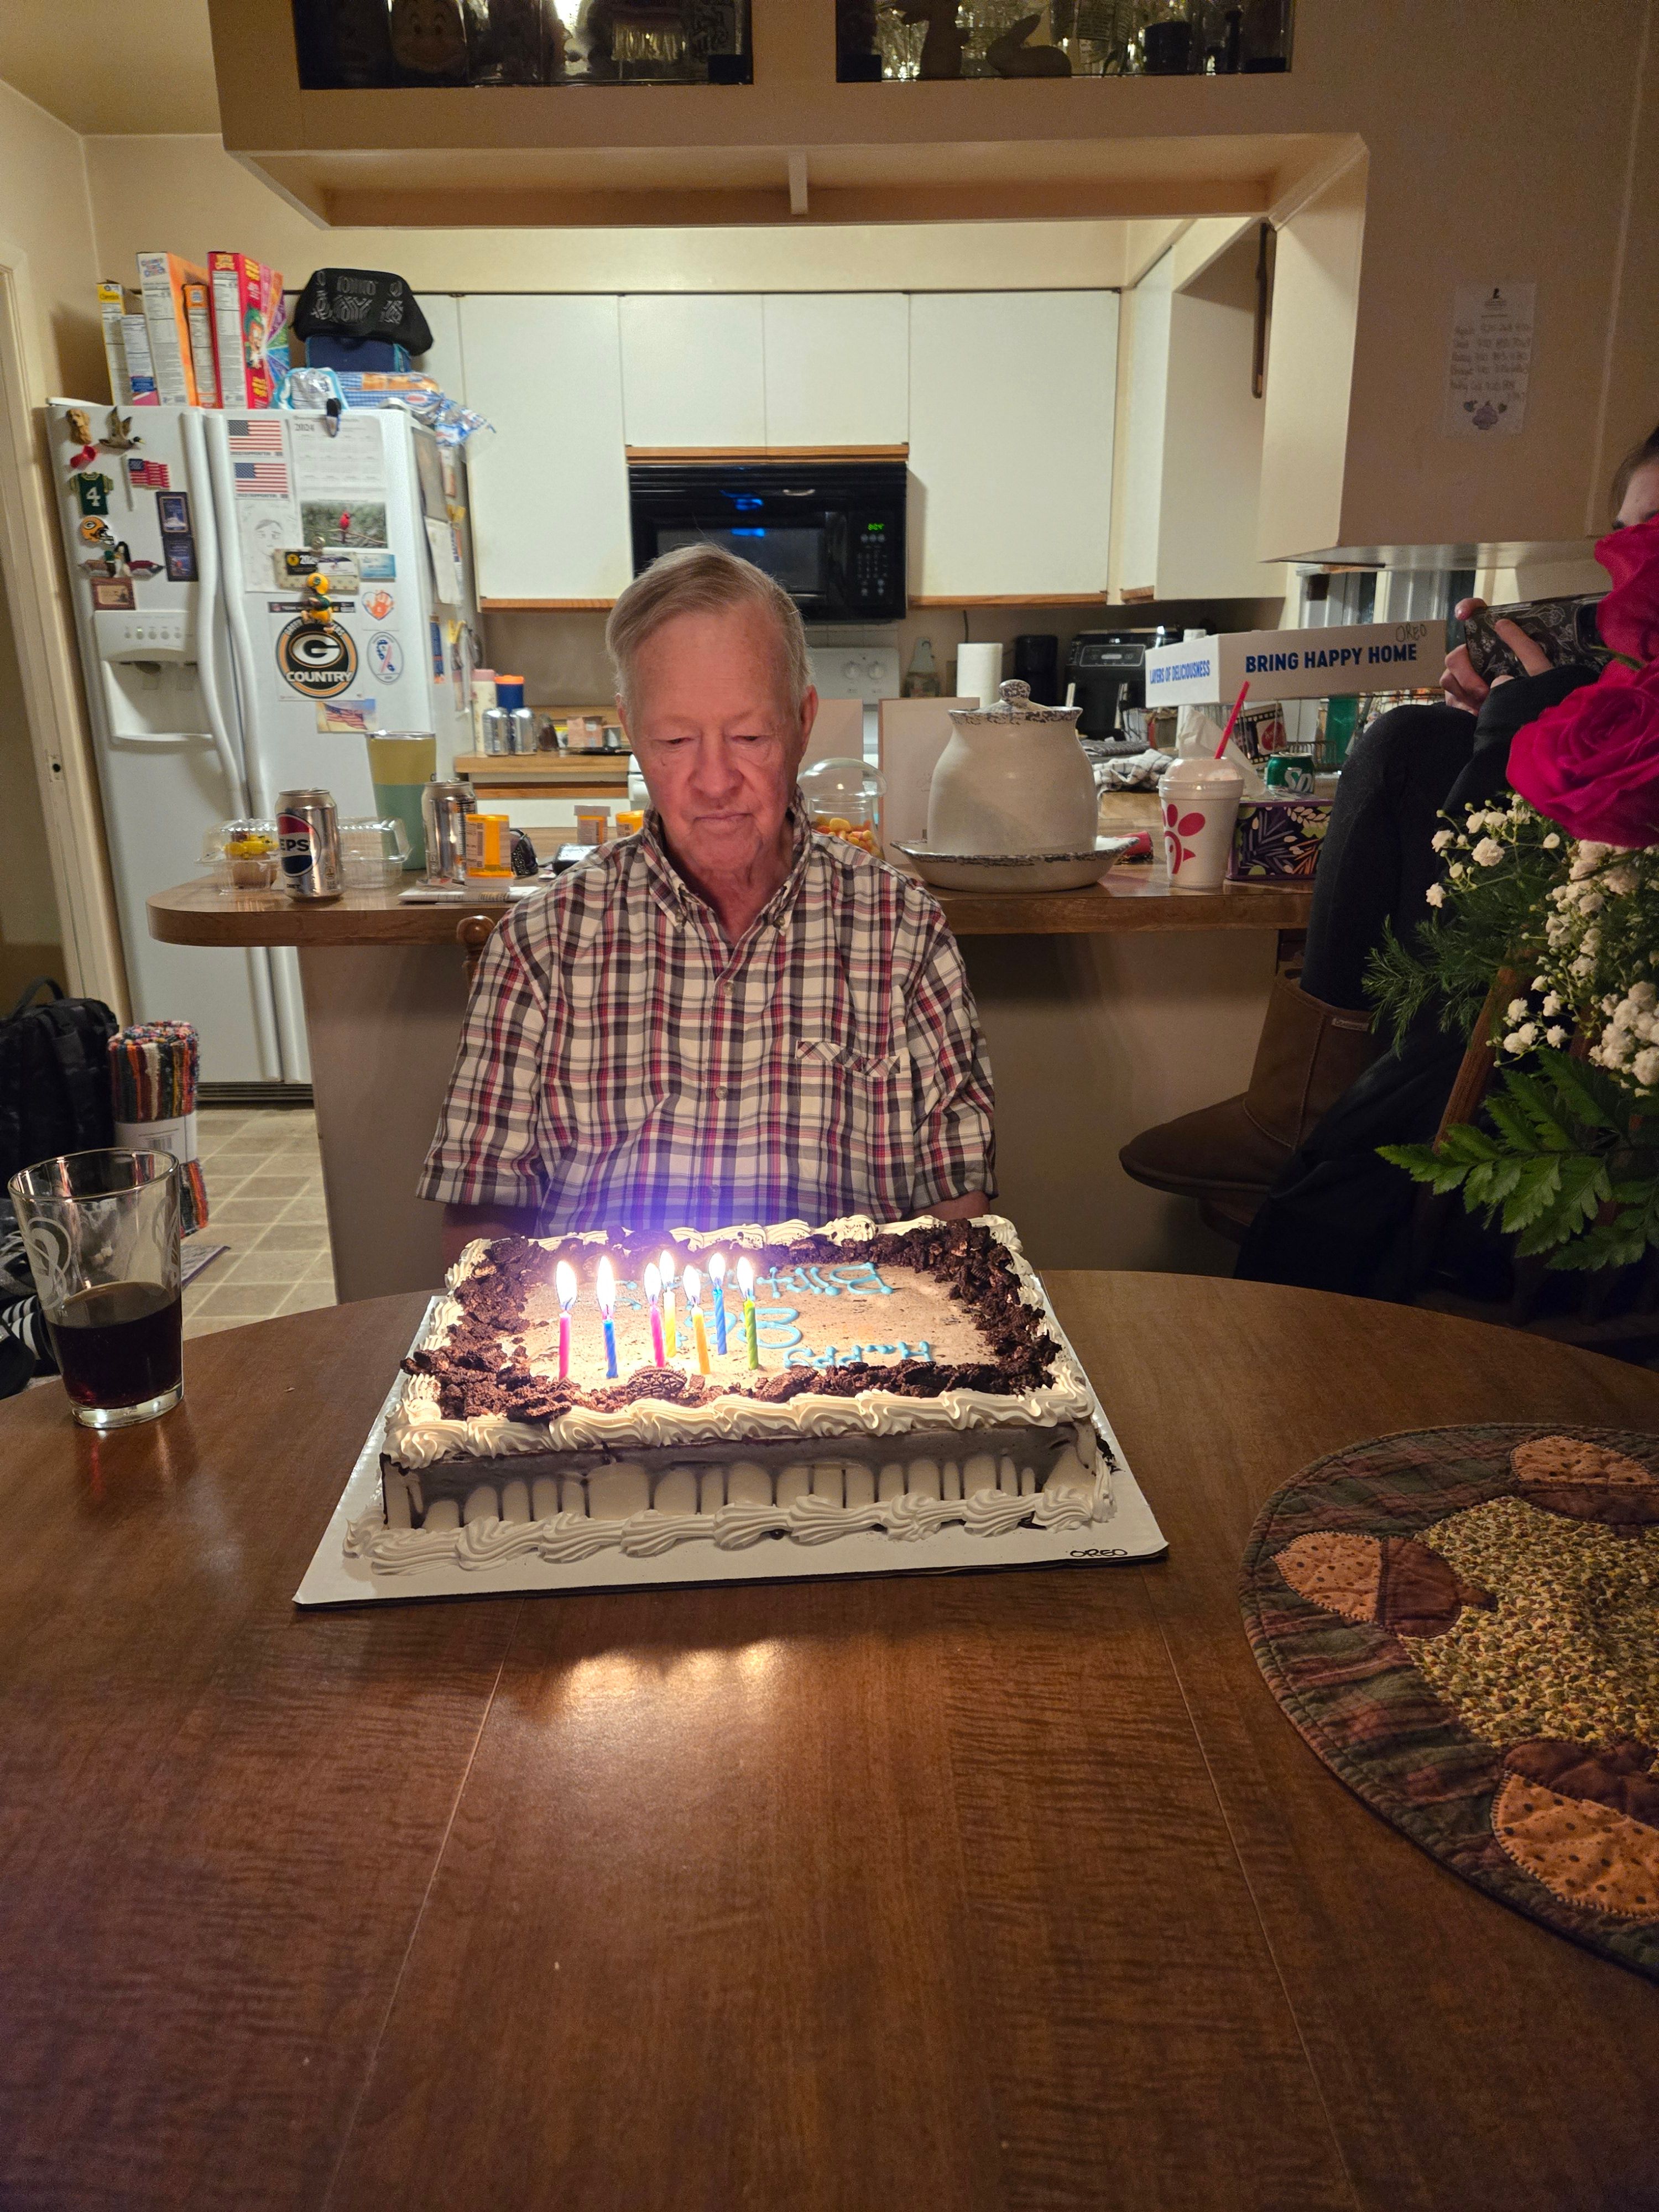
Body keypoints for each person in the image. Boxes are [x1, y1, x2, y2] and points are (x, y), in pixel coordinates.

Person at [1119, 430, 1659, 1215]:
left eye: (1654, 533)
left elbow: (1486, 919)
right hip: (1520, 1015)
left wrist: (1522, 729)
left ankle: (1325, 1126)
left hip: (1578, 1068)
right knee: (1417, 739)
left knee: (1416, 748)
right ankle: (1308, 1106)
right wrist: (1507, 723)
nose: (1631, 563)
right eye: (1623, 537)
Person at [420, 545, 994, 1264]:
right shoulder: (541, 944)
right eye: (675, 739)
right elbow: (481, 1212)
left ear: (803, 721)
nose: (715, 780)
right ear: (633, 734)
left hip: (857, 1329)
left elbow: (957, 1202)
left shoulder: (905, 932)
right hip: (605, 1331)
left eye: (750, 736)